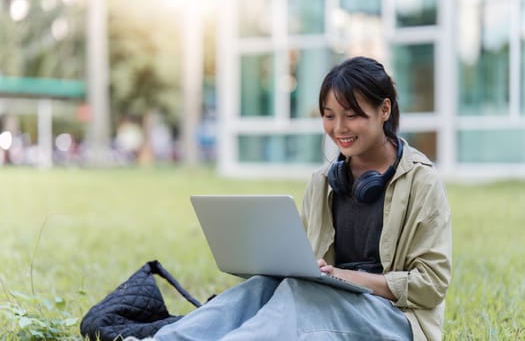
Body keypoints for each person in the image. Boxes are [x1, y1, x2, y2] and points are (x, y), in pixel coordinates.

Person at [152, 56, 452, 341]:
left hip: (396, 319)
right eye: (329, 116)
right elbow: (307, 266)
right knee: (261, 287)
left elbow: (432, 285)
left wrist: (343, 277)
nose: (339, 129)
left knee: (299, 296)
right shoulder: (323, 181)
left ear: (384, 110)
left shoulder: (420, 180)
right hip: (328, 301)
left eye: (352, 115)